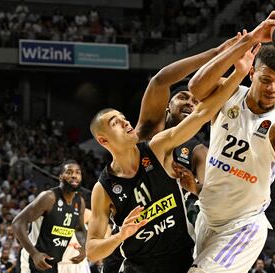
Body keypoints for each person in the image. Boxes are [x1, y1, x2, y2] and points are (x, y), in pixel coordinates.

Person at [86, 27, 263, 273]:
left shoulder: (172, 147)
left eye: (123, 117)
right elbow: (92, 250)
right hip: (136, 263)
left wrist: (238, 73)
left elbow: (203, 114)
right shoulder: (111, 178)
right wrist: (121, 235)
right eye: (116, 122)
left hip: (180, 258)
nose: (126, 122)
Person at [186, 5, 275, 272]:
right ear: (252, 73)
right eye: (266, 79)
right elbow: (196, 88)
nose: (273, 88)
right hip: (206, 216)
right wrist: (251, 38)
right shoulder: (229, 93)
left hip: (243, 226)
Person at [12, 160, 86, 273]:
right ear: (60, 177)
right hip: (34, 261)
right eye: (69, 172)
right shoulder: (49, 197)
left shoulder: (79, 202)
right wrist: (34, 253)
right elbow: (17, 223)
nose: (74, 176)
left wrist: (85, 248)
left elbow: (81, 228)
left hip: (55, 264)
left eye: (77, 172)